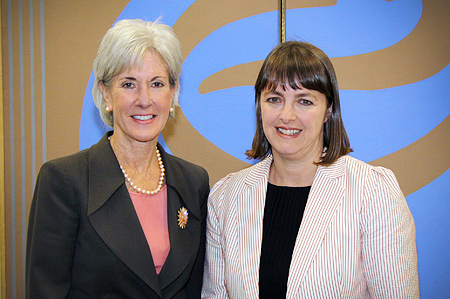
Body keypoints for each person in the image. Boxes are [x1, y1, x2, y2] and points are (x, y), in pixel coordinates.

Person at [202, 41, 419, 298]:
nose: (286, 115)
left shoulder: (372, 191)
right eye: (274, 99)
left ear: (328, 110)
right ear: (259, 106)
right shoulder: (225, 196)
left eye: (304, 101)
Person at [26, 19, 209, 298]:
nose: (144, 99)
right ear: (106, 94)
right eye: (129, 84)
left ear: (173, 93)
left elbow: (196, 288)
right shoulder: (63, 180)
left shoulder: (194, 183)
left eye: (157, 84)